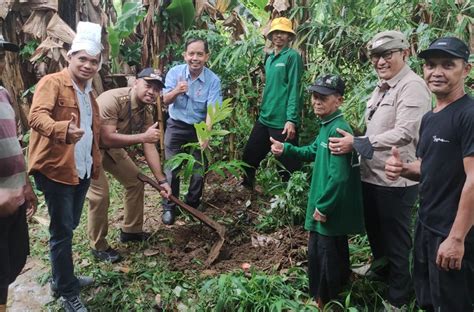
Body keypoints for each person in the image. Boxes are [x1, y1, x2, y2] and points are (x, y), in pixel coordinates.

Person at [328, 30, 431, 308]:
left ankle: (398, 297)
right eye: (376, 56)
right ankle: (381, 273)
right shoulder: (382, 86)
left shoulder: (412, 86)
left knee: (396, 242)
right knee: (376, 233)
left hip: (397, 181)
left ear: (404, 54)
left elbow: (405, 132)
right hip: (372, 175)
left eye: (387, 55)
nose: (381, 61)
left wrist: (358, 142)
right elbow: (378, 126)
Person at [385, 37, 473, 311]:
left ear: (466, 70)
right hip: (426, 227)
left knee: (453, 304)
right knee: (427, 301)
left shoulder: (468, 114)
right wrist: (404, 169)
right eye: (431, 65)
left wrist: (457, 238)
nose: (437, 72)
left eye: (448, 65)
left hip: (453, 232)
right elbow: (429, 167)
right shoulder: (431, 117)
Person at [270, 75, 364, 307]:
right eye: (314, 96)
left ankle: (323, 301)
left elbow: (339, 177)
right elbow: (314, 151)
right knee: (334, 251)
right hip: (326, 204)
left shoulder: (339, 129)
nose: (316, 101)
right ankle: (339, 291)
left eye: (323, 97)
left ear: (339, 100)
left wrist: (323, 207)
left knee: (322, 255)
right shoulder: (327, 126)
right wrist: (286, 149)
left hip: (327, 207)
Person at [28, 22, 102, 312]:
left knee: (68, 227)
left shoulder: (89, 94)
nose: (87, 65)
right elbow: (36, 116)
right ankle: (67, 291)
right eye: (82, 58)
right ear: (69, 58)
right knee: (62, 232)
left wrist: (95, 162)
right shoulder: (52, 83)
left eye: (93, 61)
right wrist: (62, 129)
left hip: (80, 170)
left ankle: (62, 278)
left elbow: (94, 134)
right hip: (56, 170)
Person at [86, 68, 171, 263]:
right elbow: (106, 137)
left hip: (111, 148)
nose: (151, 92)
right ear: (135, 83)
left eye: (156, 89)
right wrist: (143, 136)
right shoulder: (113, 100)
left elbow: (148, 145)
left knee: (135, 181)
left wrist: (162, 180)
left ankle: (131, 231)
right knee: (100, 196)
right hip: (89, 149)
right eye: (148, 85)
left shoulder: (145, 110)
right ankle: (98, 246)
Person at [161, 38, 222, 225]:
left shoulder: (213, 80)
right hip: (176, 125)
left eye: (199, 54)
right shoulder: (175, 73)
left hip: (199, 127)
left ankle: (192, 204)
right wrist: (177, 91)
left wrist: (206, 134)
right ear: (185, 55)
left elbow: (213, 110)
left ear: (206, 56)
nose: (195, 58)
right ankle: (169, 207)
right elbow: (164, 100)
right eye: (191, 54)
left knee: (198, 169)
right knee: (172, 169)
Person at [242, 17, 303, 188]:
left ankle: (291, 200)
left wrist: (291, 119)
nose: (279, 36)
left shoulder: (292, 57)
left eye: (283, 33)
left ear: (289, 37)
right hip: (265, 117)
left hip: (282, 121)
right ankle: (247, 189)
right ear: (271, 35)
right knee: (249, 156)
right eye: (276, 32)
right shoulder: (269, 59)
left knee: (287, 166)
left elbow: (294, 89)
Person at [0, 36, 37, 312]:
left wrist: (26, 184)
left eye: (1, 55)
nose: (0, 61)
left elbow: (14, 144)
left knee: (16, 258)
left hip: (14, 199)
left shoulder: (3, 93)